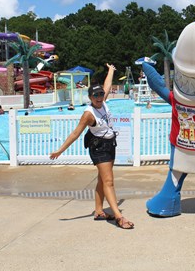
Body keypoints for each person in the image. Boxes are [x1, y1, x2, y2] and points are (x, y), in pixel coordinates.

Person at [50, 63, 134, 230]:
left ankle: (98, 211)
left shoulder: (104, 102)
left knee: (103, 179)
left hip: (110, 144)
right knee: (108, 181)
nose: (99, 97)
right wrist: (60, 150)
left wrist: (111, 70)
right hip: (99, 148)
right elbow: (75, 133)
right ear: (90, 97)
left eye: (101, 94)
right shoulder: (89, 114)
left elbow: (107, 85)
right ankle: (119, 217)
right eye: (95, 95)